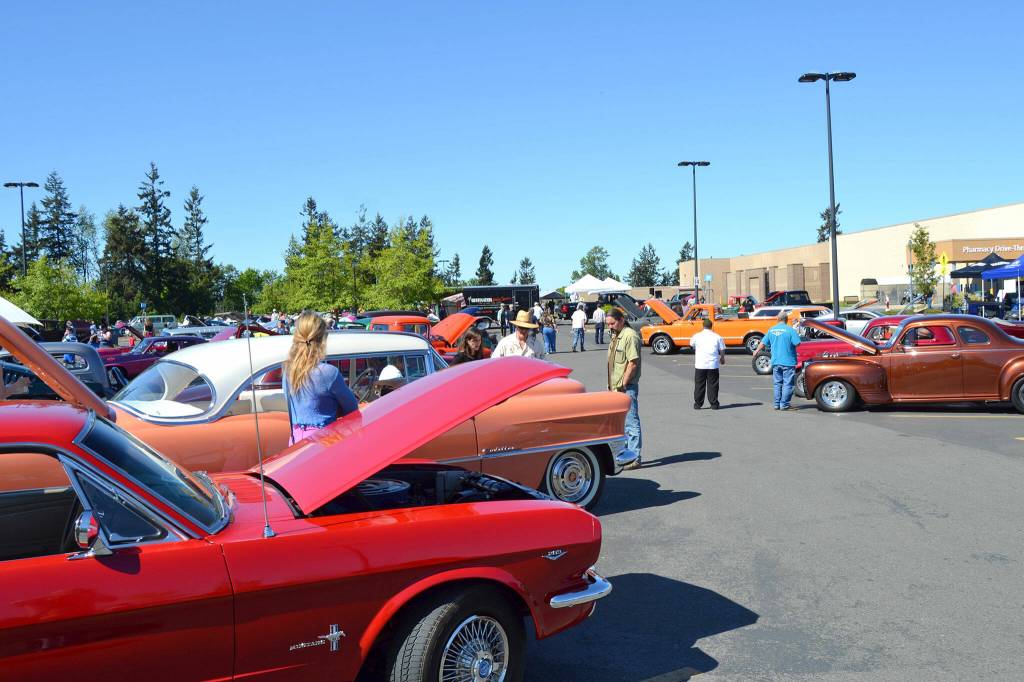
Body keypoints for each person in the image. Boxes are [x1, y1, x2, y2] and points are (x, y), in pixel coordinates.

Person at [282, 311, 360, 444]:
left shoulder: (288, 371)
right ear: (322, 340)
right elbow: (352, 409)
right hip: (322, 442)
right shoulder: (329, 373)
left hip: (295, 441)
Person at [606, 308, 641, 467]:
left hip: (626, 387)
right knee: (621, 424)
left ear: (621, 320)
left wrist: (623, 384)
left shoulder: (629, 335)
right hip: (615, 387)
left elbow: (632, 363)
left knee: (631, 422)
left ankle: (634, 457)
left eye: (612, 323)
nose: (610, 327)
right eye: (608, 324)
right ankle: (625, 455)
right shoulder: (616, 335)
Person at [754, 310, 801, 410]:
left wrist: (756, 351)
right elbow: (797, 343)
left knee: (777, 383)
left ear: (777, 319)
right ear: (786, 320)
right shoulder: (790, 330)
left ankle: (777, 404)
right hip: (788, 361)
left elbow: (763, 342)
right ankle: (784, 404)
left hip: (775, 361)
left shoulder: (771, 330)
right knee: (788, 384)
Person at [691, 318, 726, 409]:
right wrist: (722, 358)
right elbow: (722, 349)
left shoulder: (696, 336)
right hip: (713, 364)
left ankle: (698, 404)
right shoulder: (717, 337)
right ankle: (714, 404)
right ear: (711, 326)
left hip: (700, 364)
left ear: (703, 326)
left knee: (699, 384)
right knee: (713, 384)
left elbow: (691, 344)